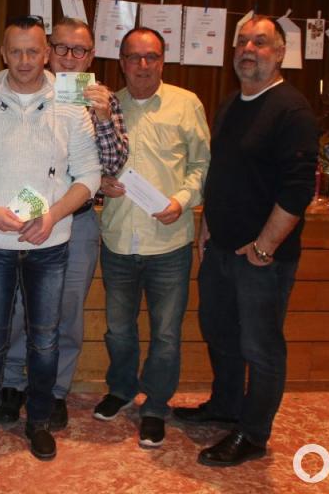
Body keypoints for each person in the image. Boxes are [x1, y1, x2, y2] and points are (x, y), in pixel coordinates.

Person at [0, 15, 101, 461]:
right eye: (16, 51)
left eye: (33, 51)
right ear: (3, 53)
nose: (25, 60)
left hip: (50, 244)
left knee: (45, 338)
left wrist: (52, 215)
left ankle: (39, 421)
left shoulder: (70, 104)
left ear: (46, 53)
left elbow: (89, 174)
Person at [174, 16, 318, 467]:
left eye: (260, 41)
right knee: (219, 333)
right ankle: (225, 406)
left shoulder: (292, 111)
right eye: (241, 41)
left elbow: (298, 191)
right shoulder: (232, 103)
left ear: (280, 53)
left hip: (262, 261)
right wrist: (207, 227)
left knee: (261, 347)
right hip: (220, 250)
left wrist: (264, 247)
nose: (248, 49)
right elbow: (222, 174)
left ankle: (253, 433)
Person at [0, 17, 129, 430]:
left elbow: (114, 164)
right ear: (48, 51)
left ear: (91, 57)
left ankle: (53, 390)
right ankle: (11, 384)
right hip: (26, 216)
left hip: (79, 220)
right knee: (19, 305)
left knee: (67, 310)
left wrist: (102, 118)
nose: (70, 58)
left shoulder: (103, 100)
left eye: (80, 50)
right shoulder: (22, 92)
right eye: (62, 48)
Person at [92, 27, 210, 449]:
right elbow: (86, 161)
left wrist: (182, 200)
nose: (143, 65)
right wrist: (99, 181)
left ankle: (156, 406)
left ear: (162, 61)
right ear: (121, 63)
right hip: (119, 240)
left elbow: (202, 166)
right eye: (134, 57)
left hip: (169, 243)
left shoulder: (187, 104)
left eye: (151, 57)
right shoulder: (105, 107)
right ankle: (122, 389)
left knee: (166, 335)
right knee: (118, 330)